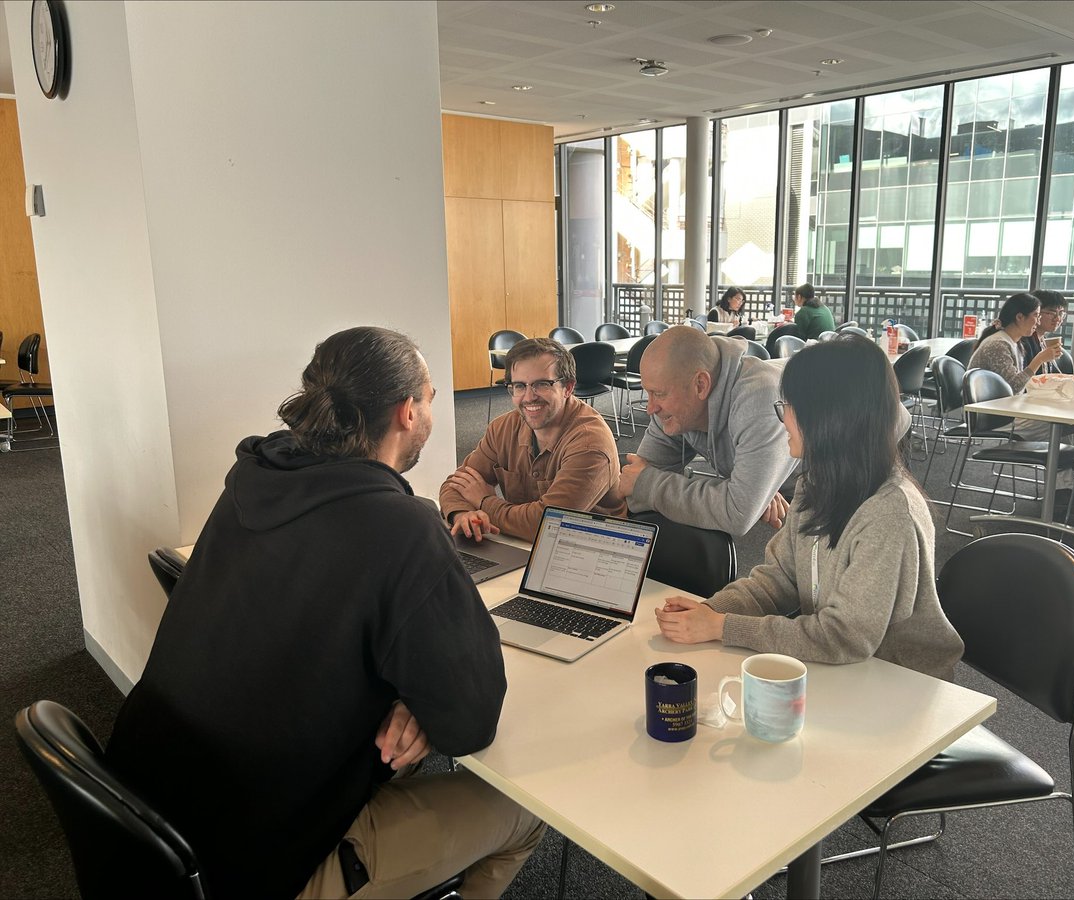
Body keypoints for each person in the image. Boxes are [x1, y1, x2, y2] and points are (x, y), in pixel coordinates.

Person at [106, 327, 543, 899]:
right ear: (408, 412)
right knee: (525, 815)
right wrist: (423, 700)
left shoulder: (254, 474)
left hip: (149, 818)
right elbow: (469, 723)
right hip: (260, 867)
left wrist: (406, 695)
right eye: (433, 397)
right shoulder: (402, 526)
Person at [653, 336, 963, 682]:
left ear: (827, 416)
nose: (782, 418)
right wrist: (711, 610)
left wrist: (724, 626)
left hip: (903, 683)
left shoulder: (889, 513)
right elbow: (780, 579)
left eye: (788, 406)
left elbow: (844, 636)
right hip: (846, 669)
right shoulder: (815, 484)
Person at [616, 326, 798, 537]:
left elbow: (737, 514)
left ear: (701, 385)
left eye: (659, 393)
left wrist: (747, 493)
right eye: (648, 393)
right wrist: (747, 488)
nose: (650, 408)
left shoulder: (760, 399)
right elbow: (633, 485)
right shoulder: (670, 412)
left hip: (829, 499)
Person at [440, 337, 625, 542]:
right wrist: (463, 513)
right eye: (519, 386)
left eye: (541, 384)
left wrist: (484, 502)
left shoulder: (590, 443)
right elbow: (456, 485)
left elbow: (546, 524)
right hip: (521, 545)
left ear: (568, 388)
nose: (529, 397)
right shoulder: (503, 428)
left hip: (587, 551)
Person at [968, 293, 1074, 504]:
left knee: (1062, 424)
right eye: (1036, 315)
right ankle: (1067, 490)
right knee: (1056, 425)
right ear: (1020, 317)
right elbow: (1014, 386)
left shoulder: (1014, 343)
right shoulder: (998, 345)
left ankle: (1070, 486)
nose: (1038, 321)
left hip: (1009, 410)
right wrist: (1037, 361)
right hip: (995, 416)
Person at [1022, 289, 1069, 375]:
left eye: (1061, 313)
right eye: (1051, 313)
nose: (1058, 318)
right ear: (1036, 312)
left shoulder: (1043, 340)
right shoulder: (1023, 342)